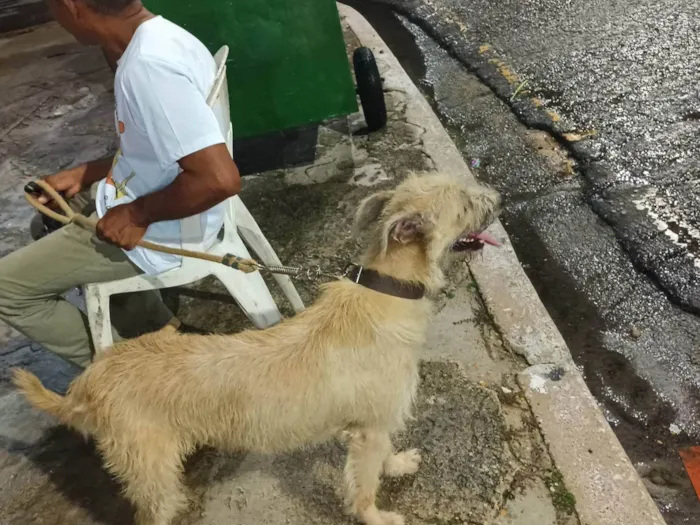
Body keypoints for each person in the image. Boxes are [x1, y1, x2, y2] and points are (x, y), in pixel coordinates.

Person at [0, 0, 241, 367]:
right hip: (163, 206)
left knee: (7, 289)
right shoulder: (161, 36)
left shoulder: (147, 68)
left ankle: (130, 382)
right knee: (46, 220)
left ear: (71, 6)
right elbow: (161, 148)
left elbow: (218, 179)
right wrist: (88, 172)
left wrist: (134, 214)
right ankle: (154, 327)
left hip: (168, 229)